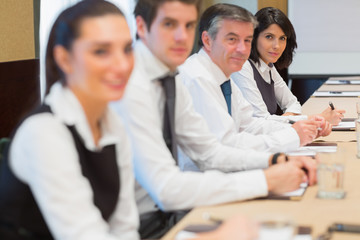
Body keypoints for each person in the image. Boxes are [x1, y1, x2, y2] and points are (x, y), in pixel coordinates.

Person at [111, 0, 317, 238]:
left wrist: (275, 159)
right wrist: (265, 180)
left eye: (189, 25)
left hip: (173, 209)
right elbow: (167, 188)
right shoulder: (136, 83)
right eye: (170, 24)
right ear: (141, 27)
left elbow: (211, 151)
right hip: (145, 224)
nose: (181, 36)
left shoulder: (171, 78)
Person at [0, 1, 139, 239]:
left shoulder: (112, 123)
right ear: (64, 59)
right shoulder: (43, 132)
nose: (122, 64)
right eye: (101, 51)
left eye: (127, 49)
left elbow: (124, 227)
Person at [179, 3, 331, 162]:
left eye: (247, 41)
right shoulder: (198, 77)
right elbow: (223, 148)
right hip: (206, 178)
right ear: (207, 40)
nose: (242, 49)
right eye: (232, 39)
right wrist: (291, 138)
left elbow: (251, 125)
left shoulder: (224, 75)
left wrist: (304, 128)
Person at [232, 7, 345, 125]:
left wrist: (284, 119)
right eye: (269, 37)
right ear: (254, 37)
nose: (277, 45)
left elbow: (293, 104)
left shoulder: (268, 67)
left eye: (282, 38)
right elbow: (260, 120)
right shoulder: (243, 67)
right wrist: (319, 118)